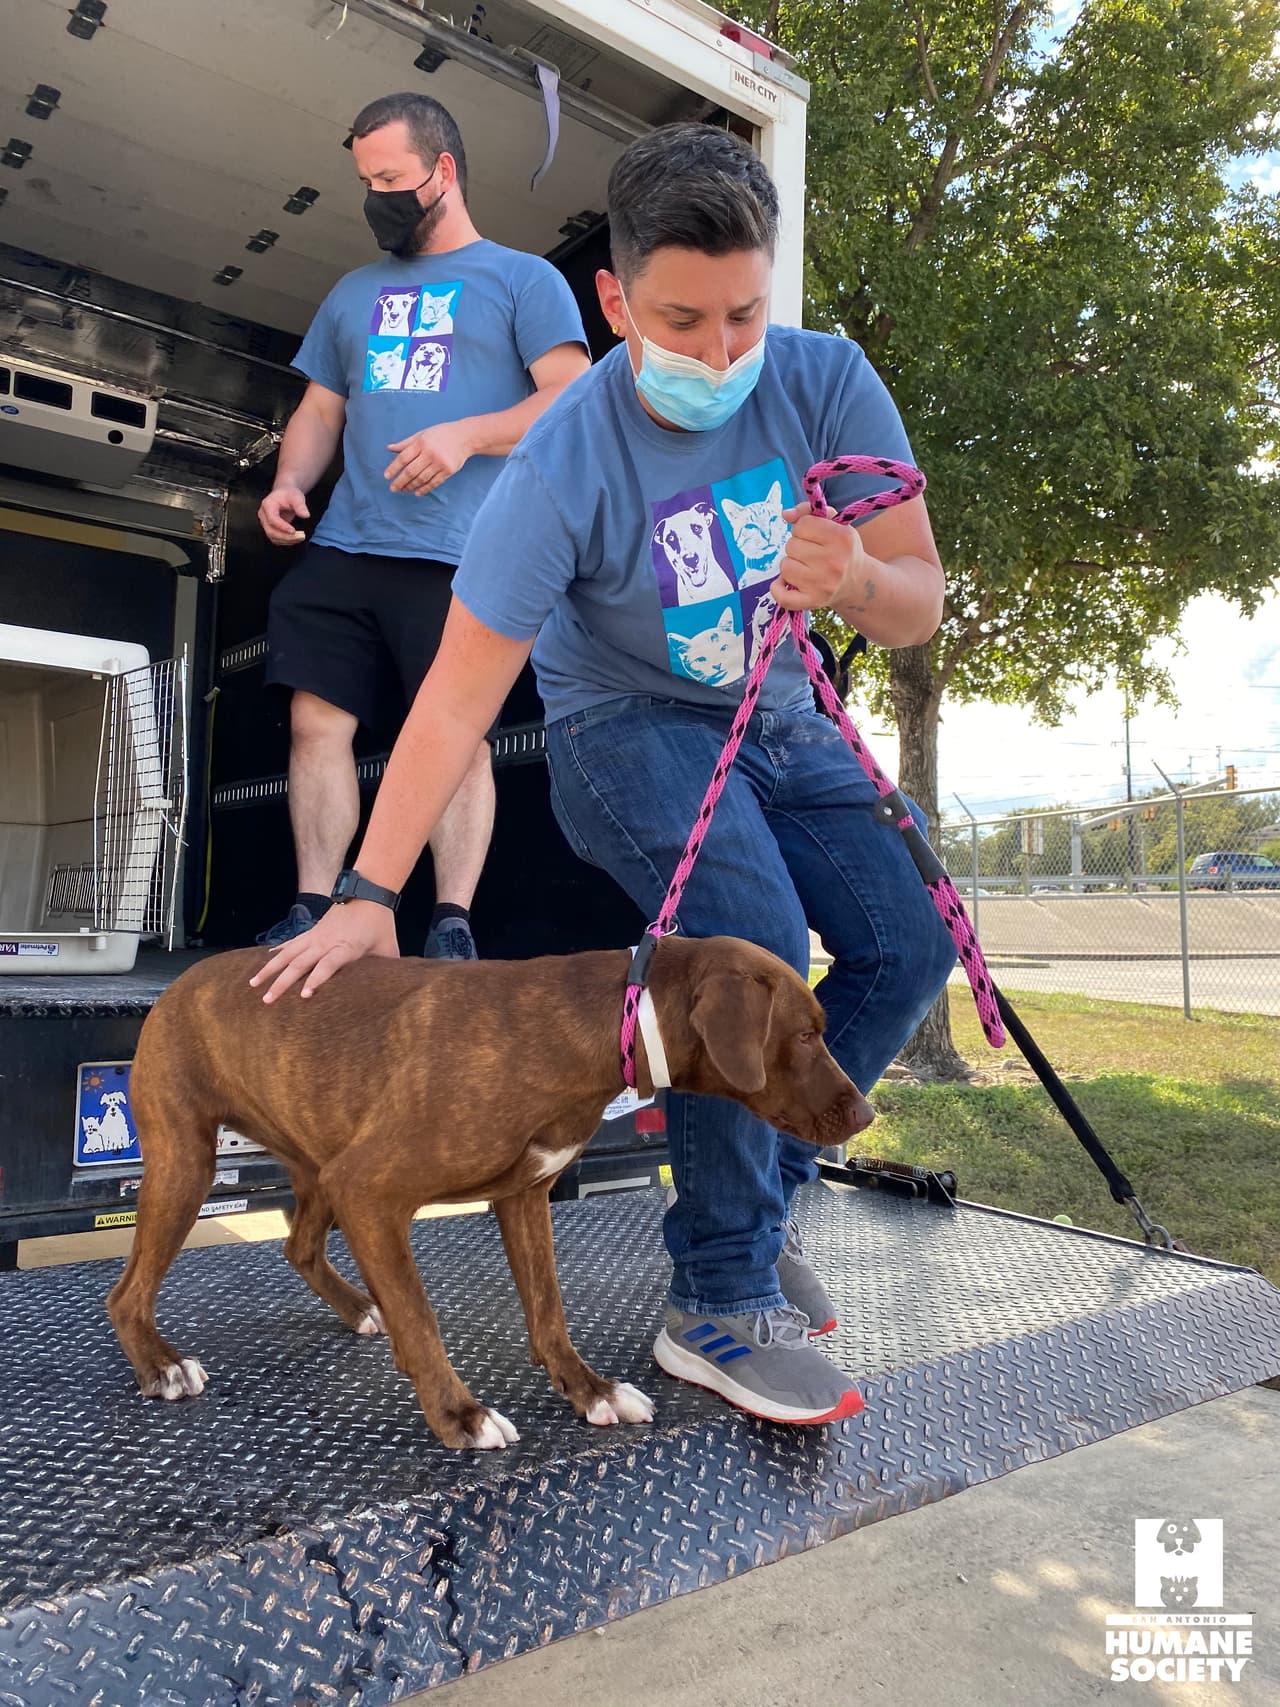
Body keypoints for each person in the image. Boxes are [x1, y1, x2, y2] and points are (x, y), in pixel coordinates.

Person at [254, 124, 957, 1424]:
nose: (720, 353)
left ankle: (760, 1192)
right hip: (621, 724)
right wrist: (365, 890)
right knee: (746, 935)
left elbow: (917, 597)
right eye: (682, 322)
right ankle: (719, 1299)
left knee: (909, 942)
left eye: (745, 315)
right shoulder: (564, 457)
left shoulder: (830, 381)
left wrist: (857, 578)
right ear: (617, 299)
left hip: (788, 716)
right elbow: (457, 697)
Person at [256, 92, 590, 956]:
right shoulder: (351, 293)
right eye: (366, 181)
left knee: (457, 734)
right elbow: (322, 407)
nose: (377, 198)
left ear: (443, 171)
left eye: (392, 179)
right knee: (313, 723)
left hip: (463, 555)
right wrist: (292, 480)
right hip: (345, 544)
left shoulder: (524, 279)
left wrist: (463, 436)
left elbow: (568, 403)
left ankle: (449, 921)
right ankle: (316, 905)